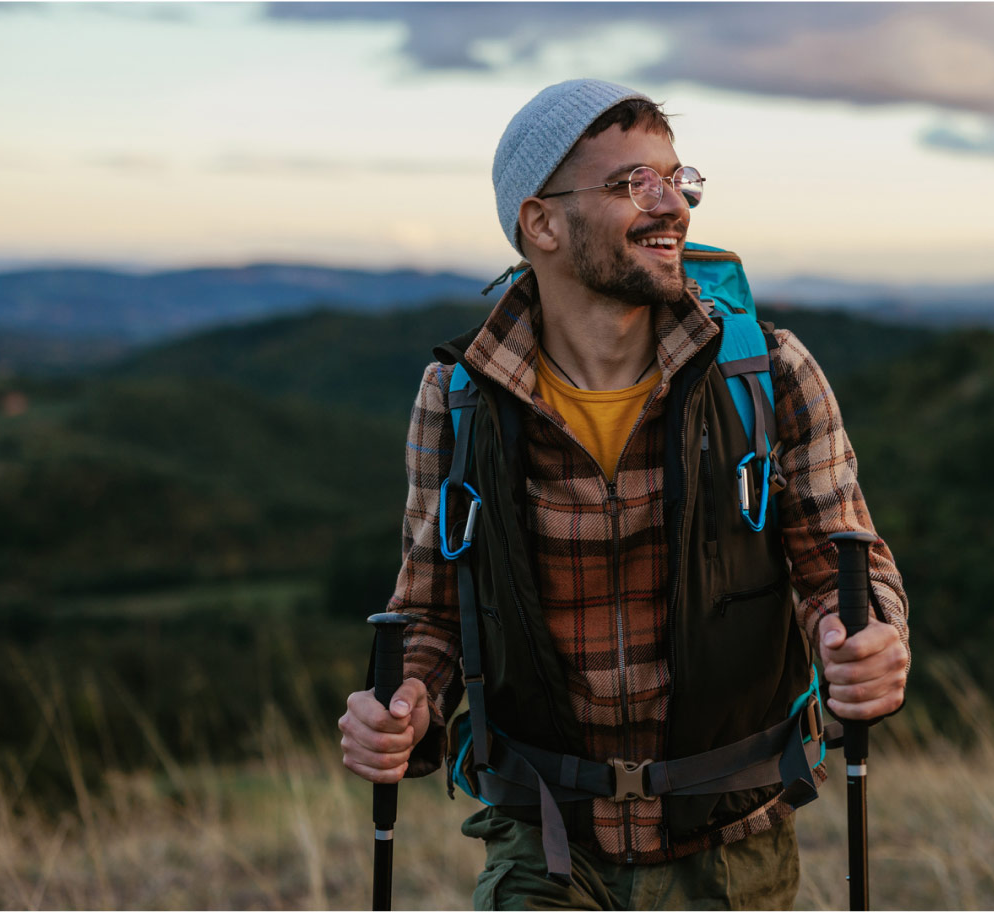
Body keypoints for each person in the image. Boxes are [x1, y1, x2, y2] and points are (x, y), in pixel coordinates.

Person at [335, 79, 909, 910]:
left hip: (733, 845)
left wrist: (866, 639)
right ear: (541, 224)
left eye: (676, 179)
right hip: (545, 841)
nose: (670, 204)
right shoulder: (460, 396)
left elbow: (842, 566)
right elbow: (430, 608)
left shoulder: (768, 373)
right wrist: (407, 701)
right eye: (631, 183)